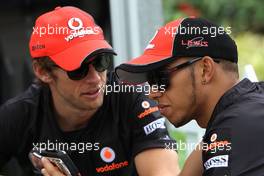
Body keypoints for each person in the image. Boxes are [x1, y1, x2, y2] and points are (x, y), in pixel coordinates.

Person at [0, 6, 180, 176]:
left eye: (101, 62)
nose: (95, 78)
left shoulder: (131, 100)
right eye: (78, 69)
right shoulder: (18, 116)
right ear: (43, 72)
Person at [116, 17, 264, 175]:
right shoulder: (250, 108)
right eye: (150, 82)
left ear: (205, 70)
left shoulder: (233, 129)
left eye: (160, 78)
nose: (152, 93)